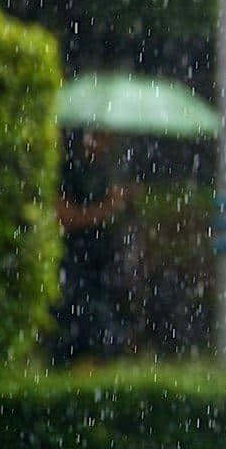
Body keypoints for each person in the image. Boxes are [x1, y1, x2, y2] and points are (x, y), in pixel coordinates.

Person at [53, 128, 134, 366]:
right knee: (78, 318)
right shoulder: (70, 171)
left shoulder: (108, 172)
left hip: (105, 263)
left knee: (103, 318)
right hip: (76, 260)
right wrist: (104, 210)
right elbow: (65, 216)